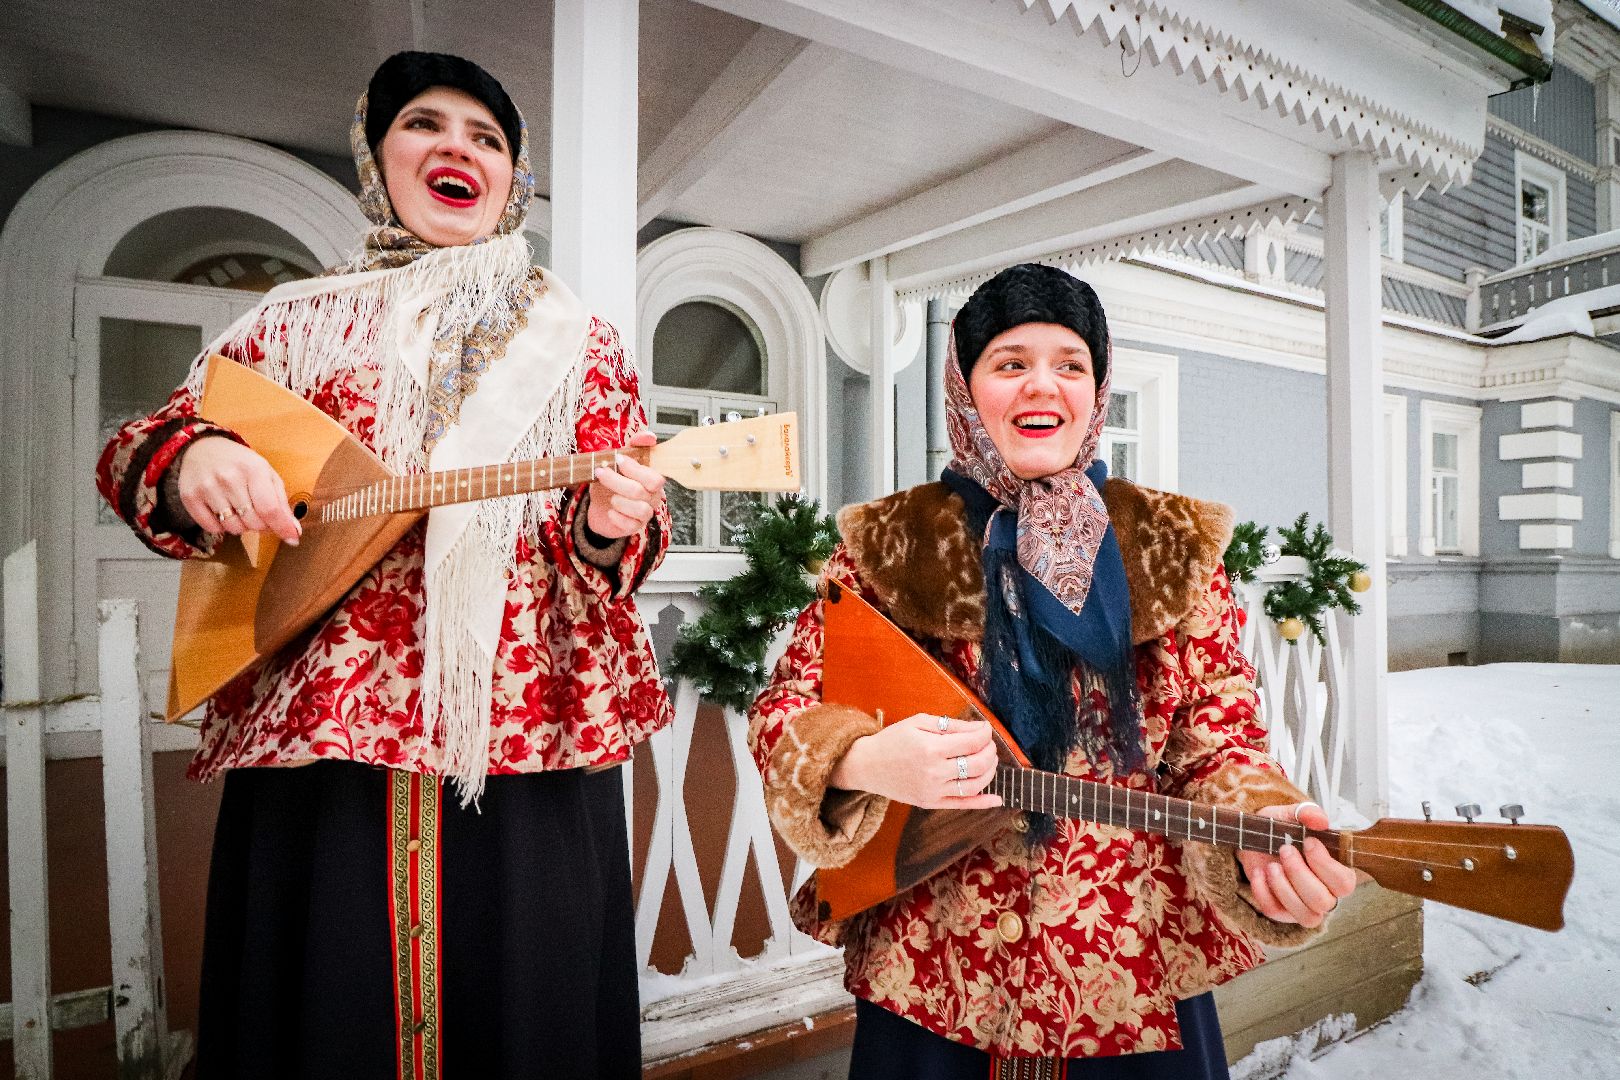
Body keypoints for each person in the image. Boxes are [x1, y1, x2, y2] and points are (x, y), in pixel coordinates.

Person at [96, 52, 669, 1080]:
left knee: (525, 1006)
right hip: (331, 739)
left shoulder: (580, 342)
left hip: (522, 734)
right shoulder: (289, 324)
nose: (458, 147)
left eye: (487, 138)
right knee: (330, 1004)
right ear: (378, 158)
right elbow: (144, 446)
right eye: (424, 125)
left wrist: (608, 522)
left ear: (512, 180)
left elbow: (618, 540)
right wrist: (200, 460)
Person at [748, 264, 1357, 1079]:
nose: (1044, 384)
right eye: (1011, 362)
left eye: (1070, 363)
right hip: (936, 972)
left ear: (1097, 389)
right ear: (964, 388)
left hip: (1129, 970)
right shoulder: (890, 546)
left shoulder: (1168, 546)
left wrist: (1268, 829)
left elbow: (1220, 744)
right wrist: (865, 758)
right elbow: (784, 709)